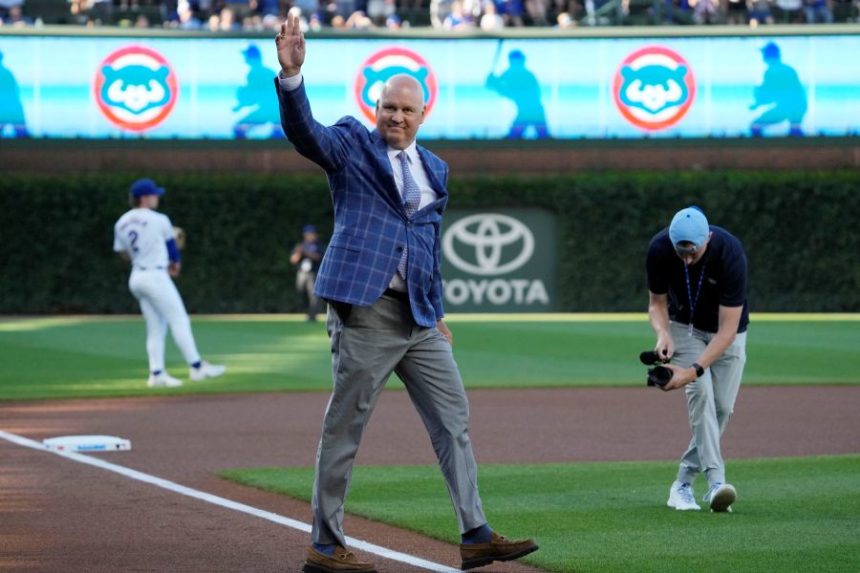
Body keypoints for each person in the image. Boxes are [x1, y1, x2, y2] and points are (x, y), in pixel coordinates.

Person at [273, 14, 538, 573]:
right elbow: (305, 134)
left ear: (423, 115)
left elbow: (427, 243)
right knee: (346, 425)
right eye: (388, 106)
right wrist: (292, 77)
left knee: (453, 420)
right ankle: (325, 544)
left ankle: (475, 533)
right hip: (365, 310)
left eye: (406, 109)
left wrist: (436, 310)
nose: (396, 116)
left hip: (419, 318)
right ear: (376, 108)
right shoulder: (349, 144)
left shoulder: (435, 168)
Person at [645, 206, 749, 514]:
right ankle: (716, 482)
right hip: (685, 329)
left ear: (709, 238)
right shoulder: (660, 249)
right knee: (701, 395)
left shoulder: (730, 253)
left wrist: (691, 370)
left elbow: (728, 328)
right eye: (682, 254)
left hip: (727, 334)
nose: (687, 261)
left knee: (723, 408)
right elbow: (656, 303)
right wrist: (663, 333)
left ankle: (681, 483)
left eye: (694, 253)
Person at [113, 178, 226, 388]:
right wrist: (175, 263)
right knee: (179, 319)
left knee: (156, 327)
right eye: (154, 194)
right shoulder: (159, 219)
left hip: (137, 276)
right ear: (145, 198)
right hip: (156, 276)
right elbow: (172, 249)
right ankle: (197, 367)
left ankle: (156, 374)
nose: (157, 197)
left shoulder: (121, 222)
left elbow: (123, 253)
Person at [485, 50, 550, 140]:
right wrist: (492, 82)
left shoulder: (526, 75)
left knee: (543, 141)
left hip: (533, 111)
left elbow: (512, 93)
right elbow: (497, 86)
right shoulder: (511, 73)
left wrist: (494, 84)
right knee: (513, 140)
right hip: (529, 111)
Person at [750, 42, 807, 137]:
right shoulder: (787, 69)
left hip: (790, 106)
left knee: (755, 126)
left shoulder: (772, 72)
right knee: (795, 132)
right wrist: (757, 103)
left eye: (764, 53)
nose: (763, 56)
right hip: (797, 106)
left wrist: (758, 99)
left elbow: (771, 95)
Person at [290, 224, 324, 321]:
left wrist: (306, 252)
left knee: (313, 295)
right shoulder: (301, 245)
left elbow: (318, 257)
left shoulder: (318, 245)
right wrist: (298, 252)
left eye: (311, 234)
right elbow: (293, 260)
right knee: (301, 291)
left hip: (313, 273)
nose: (309, 236)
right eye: (307, 234)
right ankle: (307, 311)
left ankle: (312, 315)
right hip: (302, 273)